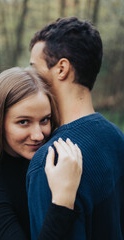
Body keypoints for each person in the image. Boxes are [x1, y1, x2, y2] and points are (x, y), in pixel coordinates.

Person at [26, 16, 124, 240]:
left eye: (34, 68)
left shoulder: (50, 161)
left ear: (62, 68)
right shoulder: (117, 137)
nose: (30, 77)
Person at [0, 67, 83, 240]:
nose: (38, 135)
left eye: (44, 120)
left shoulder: (49, 159)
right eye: (23, 122)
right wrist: (63, 200)